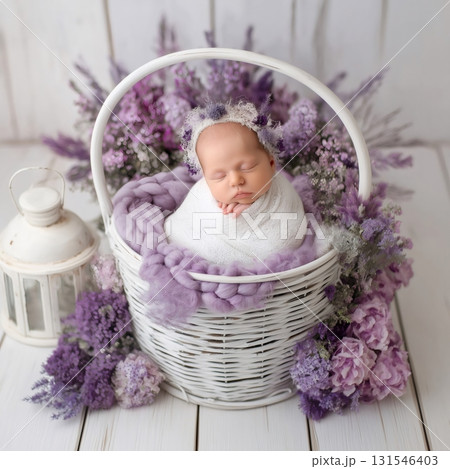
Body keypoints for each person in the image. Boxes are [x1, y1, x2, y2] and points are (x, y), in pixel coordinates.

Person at [164, 101, 308, 265]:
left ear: (271, 163)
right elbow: (180, 231)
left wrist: (253, 209)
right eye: (219, 176)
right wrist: (224, 215)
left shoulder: (284, 191)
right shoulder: (201, 195)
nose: (235, 181)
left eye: (248, 167)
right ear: (206, 178)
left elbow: (290, 234)